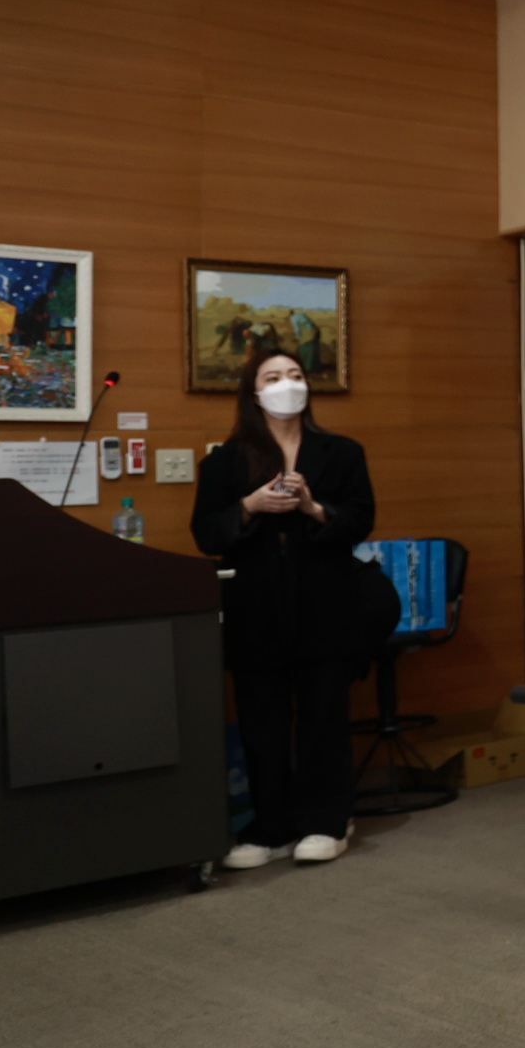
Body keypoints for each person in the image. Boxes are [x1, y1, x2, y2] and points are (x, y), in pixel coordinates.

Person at [193, 346, 378, 869]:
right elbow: (207, 533)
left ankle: (327, 821)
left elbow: (361, 521)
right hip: (255, 605)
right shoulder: (226, 460)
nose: (286, 384)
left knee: (324, 716)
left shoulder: (342, 452)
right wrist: (250, 506)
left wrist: (314, 508)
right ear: (253, 392)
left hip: (325, 602)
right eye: (272, 377)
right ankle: (270, 826)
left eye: (295, 374)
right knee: (262, 720)